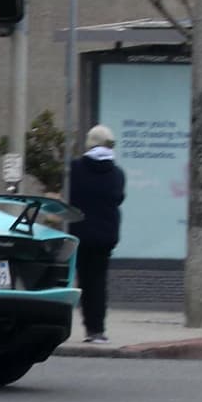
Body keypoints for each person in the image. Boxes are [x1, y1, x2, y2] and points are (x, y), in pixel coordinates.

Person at [68, 124, 126, 343]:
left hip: (79, 232)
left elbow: (69, 197)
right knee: (98, 282)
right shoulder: (117, 173)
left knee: (79, 280)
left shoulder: (74, 169)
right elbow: (118, 198)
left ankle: (72, 325)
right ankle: (97, 330)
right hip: (105, 235)